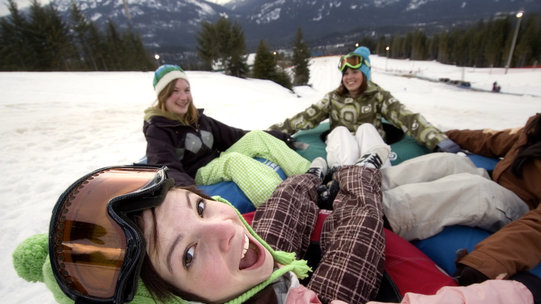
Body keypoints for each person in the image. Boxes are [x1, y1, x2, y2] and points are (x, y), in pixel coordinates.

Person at [13, 147, 538, 304]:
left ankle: (308, 179)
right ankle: (360, 175)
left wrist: (201, 232)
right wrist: (514, 294)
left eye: (197, 206)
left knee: (278, 211)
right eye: (187, 255)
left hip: (247, 291)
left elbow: (217, 210)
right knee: (356, 232)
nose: (222, 224)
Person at [381, 113, 541, 285]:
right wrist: (441, 136)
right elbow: (489, 140)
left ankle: (379, 216)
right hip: (499, 182)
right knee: (450, 161)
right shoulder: (534, 129)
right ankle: (365, 185)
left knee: (477, 189)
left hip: (523, 211)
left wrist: (485, 263)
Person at [144, 64, 310, 206]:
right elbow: (164, 166)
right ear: (163, 95)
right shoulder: (159, 129)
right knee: (234, 160)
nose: (183, 97)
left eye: (187, 90)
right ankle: (289, 203)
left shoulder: (197, 119)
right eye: (175, 91)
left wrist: (278, 136)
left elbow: (234, 135)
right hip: (197, 173)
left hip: (218, 159)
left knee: (256, 136)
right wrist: (190, 192)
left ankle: (310, 177)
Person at [268, 46, 462, 165]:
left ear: (365, 74)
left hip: (371, 146)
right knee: (341, 132)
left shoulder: (377, 96)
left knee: (367, 128)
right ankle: (343, 174)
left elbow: (405, 117)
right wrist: (271, 134)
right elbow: (304, 118)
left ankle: (372, 172)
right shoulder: (333, 98)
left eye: (354, 72)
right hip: (341, 147)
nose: (349, 77)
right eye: (345, 73)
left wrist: (437, 141)